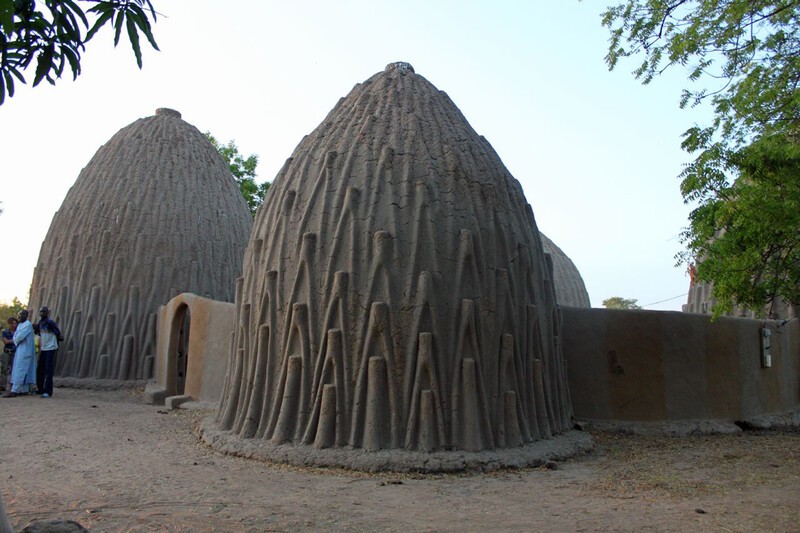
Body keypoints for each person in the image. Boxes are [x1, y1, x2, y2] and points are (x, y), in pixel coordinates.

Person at [3, 310, 35, 398]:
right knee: (20, 369)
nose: (19, 317)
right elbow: (15, 337)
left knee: (20, 370)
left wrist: (16, 339)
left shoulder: (27, 325)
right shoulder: (20, 325)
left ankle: (14, 390)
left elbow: (19, 337)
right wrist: (16, 339)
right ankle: (23, 390)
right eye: (19, 316)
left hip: (25, 350)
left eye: (21, 316)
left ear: (26, 316)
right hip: (20, 349)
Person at [36, 307, 61, 398]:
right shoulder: (40, 323)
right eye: (41, 311)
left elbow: (58, 333)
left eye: (44, 312)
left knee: (48, 370)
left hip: (50, 348)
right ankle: (40, 389)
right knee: (40, 369)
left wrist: (55, 344)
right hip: (43, 348)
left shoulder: (50, 322)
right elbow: (40, 334)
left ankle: (48, 391)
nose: (42, 313)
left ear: (47, 313)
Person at [1, 317, 18, 391]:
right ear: (9, 324)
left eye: (15, 323)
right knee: (4, 370)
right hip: (7, 352)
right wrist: (15, 340)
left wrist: (10, 340)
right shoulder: (5, 332)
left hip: (15, 352)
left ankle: (12, 386)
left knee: (14, 370)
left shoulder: (18, 331)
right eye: (12, 323)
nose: (14, 325)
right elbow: (5, 342)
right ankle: (3, 386)